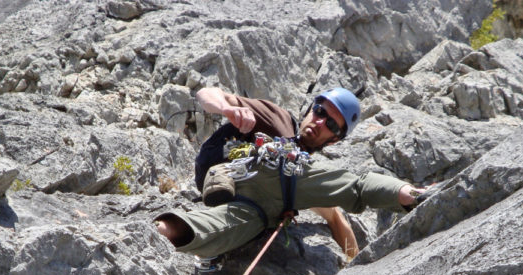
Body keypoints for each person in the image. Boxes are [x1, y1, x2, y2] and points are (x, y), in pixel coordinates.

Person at [156, 86, 425, 262]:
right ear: (310, 108)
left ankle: (155, 235)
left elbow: (334, 216)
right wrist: (227, 109)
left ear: (334, 140)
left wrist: (353, 266)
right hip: (237, 175)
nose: (319, 122)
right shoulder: (278, 119)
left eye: (330, 124)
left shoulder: (306, 174)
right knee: (355, 185)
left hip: (253, 206)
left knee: (213, 228)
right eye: (320, 112)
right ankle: (415, 196)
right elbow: (208, 93)